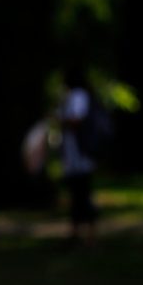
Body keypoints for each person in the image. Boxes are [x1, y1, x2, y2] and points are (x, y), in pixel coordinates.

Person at [60, 69, 100, 245]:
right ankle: (78, 233)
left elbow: (76, 120)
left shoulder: (78, 95)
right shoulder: (80, 95)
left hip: (80, 154)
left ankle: (87, 234)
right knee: (78, 194)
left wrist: (59, 119)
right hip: (76, 154)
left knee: (81, 194)